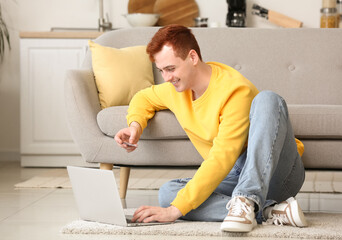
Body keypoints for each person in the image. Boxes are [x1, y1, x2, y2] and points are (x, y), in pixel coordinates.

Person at [114, 24, 308, 232]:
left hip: (276, 173)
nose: (167, 77)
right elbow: (143, 97)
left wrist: (174, 212)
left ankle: (246, 201)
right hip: (234, 176)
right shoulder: (175, 89)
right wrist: (135, 126)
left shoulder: (234, 90)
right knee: (169, 194)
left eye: (171, 69)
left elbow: (221, 158)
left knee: (268, 99)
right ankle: (268, 212)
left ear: (193, 57)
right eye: (161, 71)